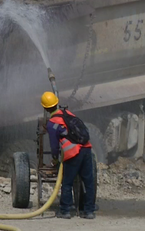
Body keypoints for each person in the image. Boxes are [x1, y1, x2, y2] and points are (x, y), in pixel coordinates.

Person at [42, 91, 95, 220]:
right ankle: (88, 211)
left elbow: (54, 146)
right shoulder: (68, 114)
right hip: (86, 149)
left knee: (67, 182)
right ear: (56, 103)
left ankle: (65, 210)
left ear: (45, 108)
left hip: (73, 153)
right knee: (88, 181)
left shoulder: (52, 123)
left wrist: (55, 159)